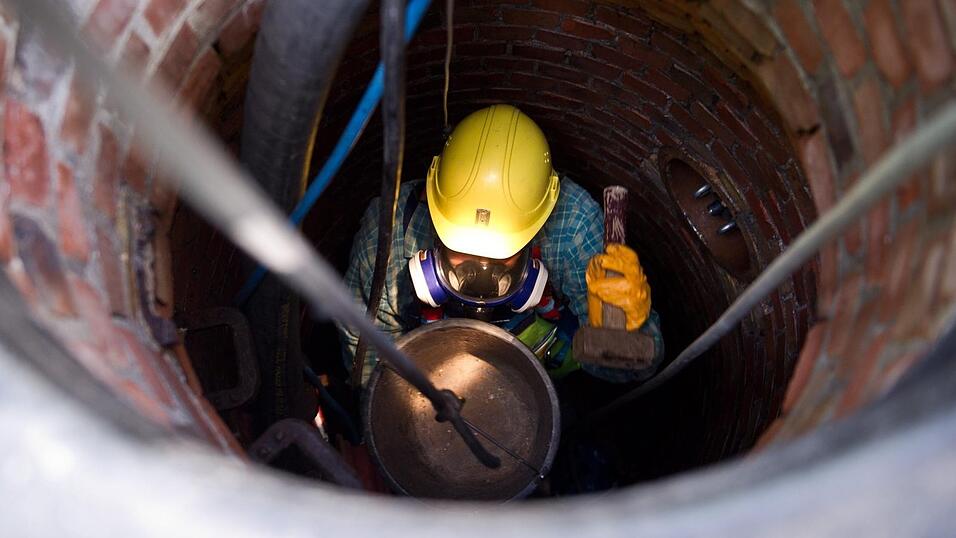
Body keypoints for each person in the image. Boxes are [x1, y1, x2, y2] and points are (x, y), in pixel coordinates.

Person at [339, 104, 663, 385]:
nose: (479, 273)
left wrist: (624, 337)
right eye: (460, 247)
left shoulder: (573, 226)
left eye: (501, 255)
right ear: (431, 202)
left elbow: (634, 370)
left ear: (539, 222)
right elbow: (369, 358)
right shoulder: (389, 235)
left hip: (539, 370)